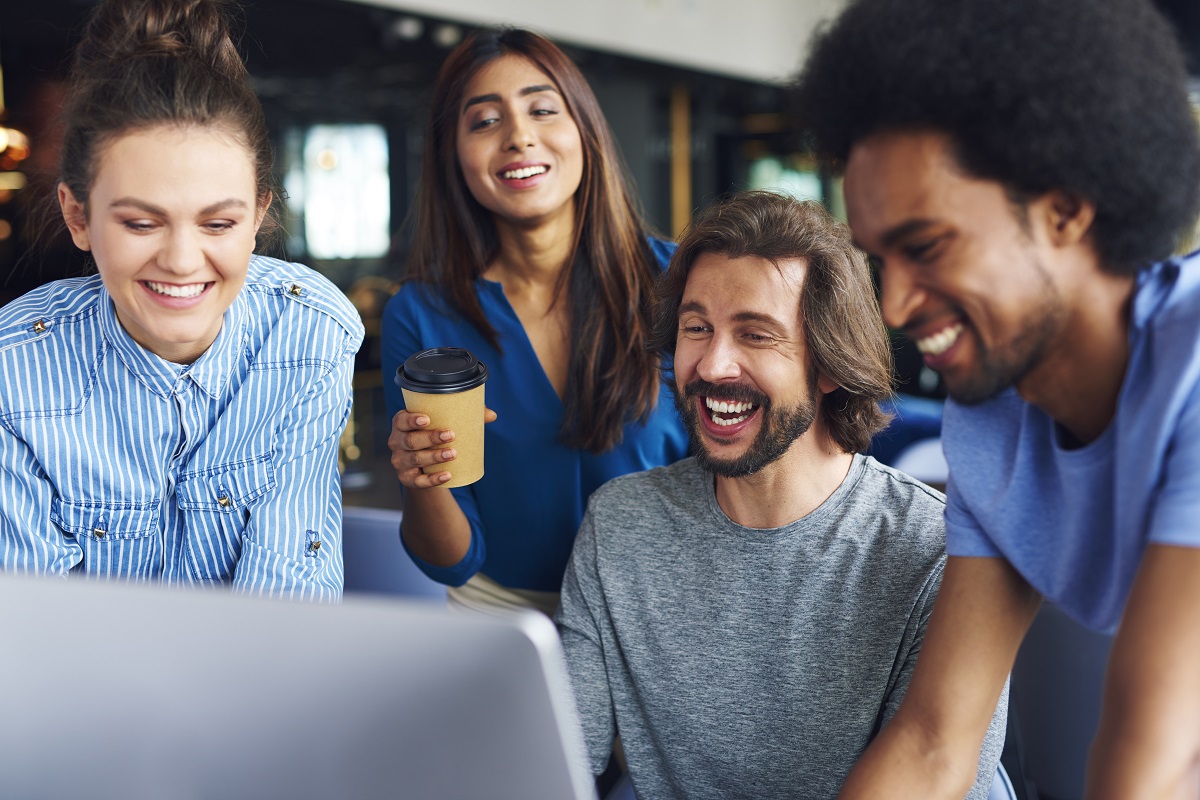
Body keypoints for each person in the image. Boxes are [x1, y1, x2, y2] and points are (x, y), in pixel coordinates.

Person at [793, 0, 1200, 796]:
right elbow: (934, 742)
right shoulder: (995, 422)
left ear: (1066, 208)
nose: (897, 307)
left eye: (927, 246)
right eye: (882, 260)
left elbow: (1152, 761)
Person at [555, 192, 1007, 799]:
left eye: (756, 335)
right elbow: (556, 763)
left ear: (829, 364)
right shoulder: (619, 526)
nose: (713, 365)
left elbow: (944, 776)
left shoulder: (933, 553)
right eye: (697, 329)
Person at [0, 0, 364, 601]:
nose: (182, 261)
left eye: (218, 225)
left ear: (258, 217)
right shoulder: (16, 371)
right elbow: (36, 634)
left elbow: (287, 603)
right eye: (141, 224)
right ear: (78, 216)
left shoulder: (309, 332)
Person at [383, 28, 687, 615]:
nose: (519, 136)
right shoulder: (421, 314)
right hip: (500, 618)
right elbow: (449, 559)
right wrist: (422, 479)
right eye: (484, 122)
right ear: (454, 155)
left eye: (542, 110)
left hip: (663, 615)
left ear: (584, 131)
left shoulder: (679, 281)